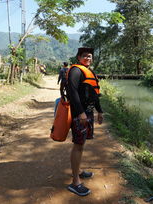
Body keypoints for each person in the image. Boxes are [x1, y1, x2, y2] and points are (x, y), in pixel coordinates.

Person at [67, 47, 103, 196]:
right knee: (78, 145)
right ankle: (75, 182)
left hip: (87, 113)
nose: (88, 58)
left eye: (90, 56)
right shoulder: (76, 71)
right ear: (79, 57)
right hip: (79, 114)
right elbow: (72, 91)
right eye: (85, 56)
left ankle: (79, 171)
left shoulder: (90, 72)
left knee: (82, 144)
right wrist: (81, 112)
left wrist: (99, 111)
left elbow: (95, 94)